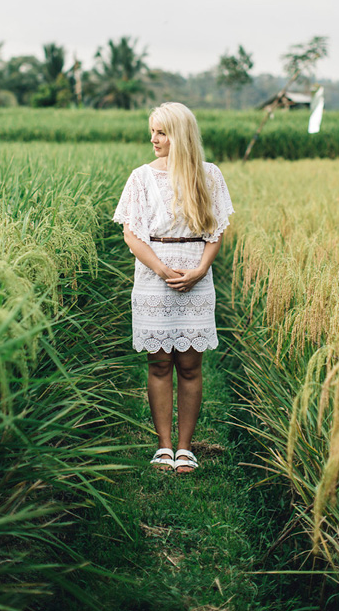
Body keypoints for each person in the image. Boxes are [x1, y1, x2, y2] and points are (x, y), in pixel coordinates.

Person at [113, 102, 234, 473]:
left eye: (162, 132)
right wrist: (163, 269)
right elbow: (132, 235)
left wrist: (199, 270)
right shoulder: (141, 178)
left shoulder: (208, 175)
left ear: (180, 135)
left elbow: (215, 232)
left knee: (191, 363)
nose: (153, 139)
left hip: (197, 277)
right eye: (152, 131)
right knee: (160, 361)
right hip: (154, 277)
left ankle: (186, 448)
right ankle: (163, 446)